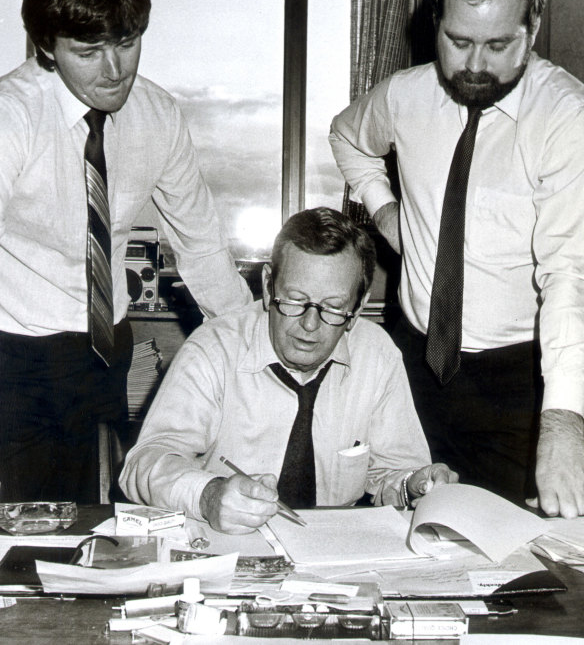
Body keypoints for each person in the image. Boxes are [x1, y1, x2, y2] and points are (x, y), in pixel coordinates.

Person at [329, 0, 584, 519]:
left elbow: (570, 274)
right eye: (458, 41)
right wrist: (389, 216)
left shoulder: (566, 117)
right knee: (402, 543)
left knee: (511, 560)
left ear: (533, 26)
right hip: (414, 363)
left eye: (498, 46)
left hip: (518, 382)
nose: (474, 66)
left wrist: (565, 421)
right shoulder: (405, 95)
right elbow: (347, 138)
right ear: (436, 21)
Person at [0, 0, 251, 503]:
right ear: (46, 44)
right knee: (20, 534)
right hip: (12, 352)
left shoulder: (158, 115)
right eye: (89, 51)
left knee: (98, 521)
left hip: (103, 345)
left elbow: (203, 248)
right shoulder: (11, 118)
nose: (114, 71)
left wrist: (255, 345)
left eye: (127, 43)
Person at [120, 207, 457, 534]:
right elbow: (145, 463)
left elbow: (395, 472)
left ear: (358, 308)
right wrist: (208, 495)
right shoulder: (214, 349)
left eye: (334, 308)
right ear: (268, 286)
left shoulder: (377, 356)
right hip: (230, 544)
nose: (310, 325)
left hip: (334, 551)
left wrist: (414, 484)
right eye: (295, 300)